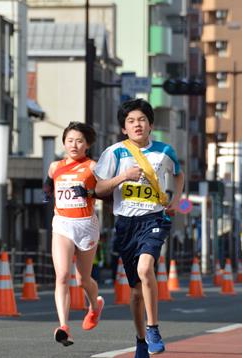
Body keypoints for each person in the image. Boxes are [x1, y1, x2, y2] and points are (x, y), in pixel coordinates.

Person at [93, 98, 184, 357]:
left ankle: (153, 327)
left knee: (146, 268)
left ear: (151, 125)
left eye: (142, 120)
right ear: (124, 128)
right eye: (131, 121)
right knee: (135, 292)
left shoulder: (165, 151)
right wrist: (123, 177)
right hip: (125, 224)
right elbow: (98, 188)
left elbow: (179, 174)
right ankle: (141, 340)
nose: (137, 125)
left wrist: (175, 200)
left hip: (154, 219)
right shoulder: (113, 152)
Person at [43, 122, 104, 347]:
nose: (74, 145)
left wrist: (89, 192)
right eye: (70, 140)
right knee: (61, 276)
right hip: (62, 224)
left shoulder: (94, 167)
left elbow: (105, 191)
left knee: (83, 279)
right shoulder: (54, 166)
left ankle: (94, 307)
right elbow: (50, 183)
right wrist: (48, 195)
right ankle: (64, 326)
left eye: (79, 141)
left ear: (87, 144)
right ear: (64, 143)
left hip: (86, 225)